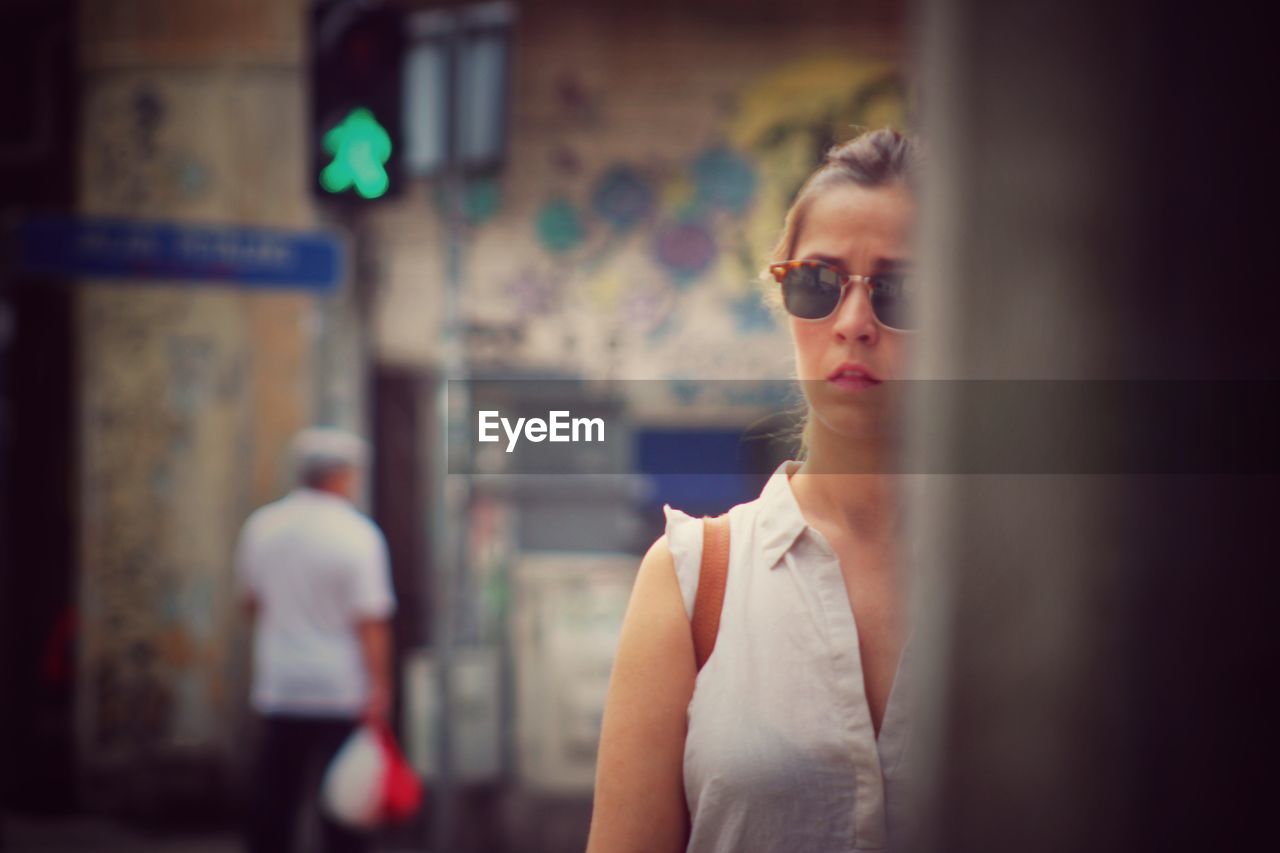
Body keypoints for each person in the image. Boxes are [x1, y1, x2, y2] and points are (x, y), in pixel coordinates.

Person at [587, 128, 920, 852]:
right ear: (784, 297)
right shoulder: (691, 580)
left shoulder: (1029, 588)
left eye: (900, 290)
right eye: (817, 283)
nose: (855, 322)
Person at [237, 427, 396, 853]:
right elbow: (371, 622)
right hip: (339, 688)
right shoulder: (358, 535)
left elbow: (250, 604)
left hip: (281, 684)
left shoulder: (262, 527)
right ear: (341, 477)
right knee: (342, 804)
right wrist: (379, 686)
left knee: (275, 799)